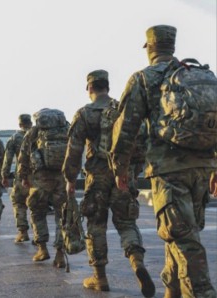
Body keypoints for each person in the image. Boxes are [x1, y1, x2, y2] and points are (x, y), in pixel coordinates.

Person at [110, 25, 217, 298]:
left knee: (184, 241)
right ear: (171, 46)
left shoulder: (144, 79)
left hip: (169, 171)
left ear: (150, 49)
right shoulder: (199, 76)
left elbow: (125, 129)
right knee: (181, 235)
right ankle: (172, 289)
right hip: (202, 171)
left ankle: (201, 292)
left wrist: (120, 168)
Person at [62, 70, 155, 297]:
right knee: (126, 223)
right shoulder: (123, 110)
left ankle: (100, 277)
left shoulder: (85, 113)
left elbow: (74, 150)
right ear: (108, 87)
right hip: (124, 175)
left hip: (97, 176)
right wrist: (132, 170)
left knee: (96, 224)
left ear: (90, 88)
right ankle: (137, 262)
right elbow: (141, 142)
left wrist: (70, 179)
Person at [17, 108, 68, 268]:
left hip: (40, 179)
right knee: (62, 216)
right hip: (62, 179)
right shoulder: (67, 129)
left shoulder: (34, 132)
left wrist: (23, 177)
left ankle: (42, 249)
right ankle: (60, 253)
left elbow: (23, 155)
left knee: (37, 213)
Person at [1, 114, 33, 243]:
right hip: (39, 175)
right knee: (38, 206)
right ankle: (38, 235)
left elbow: (7, 159)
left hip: (22, 175)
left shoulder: (15, 138)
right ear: (30, 123)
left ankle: (23, 231)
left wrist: (4, 175)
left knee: (18, 202)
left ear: (20, 124)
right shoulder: (39, 135)